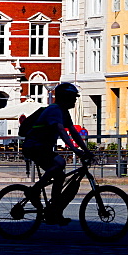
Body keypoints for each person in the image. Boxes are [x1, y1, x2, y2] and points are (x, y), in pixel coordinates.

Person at [20, 82, 95, 225]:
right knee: (60, 162)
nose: (75, 100)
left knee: (60, 175)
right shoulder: (54, 110)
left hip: (42, 147)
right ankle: (34, 191)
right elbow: (61, 130)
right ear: (65, 97)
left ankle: (54, 211)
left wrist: (86, 151)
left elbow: (73, 132)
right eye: (73, 97)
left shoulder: (63, 112)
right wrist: (75, 150)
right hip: (34, 146)